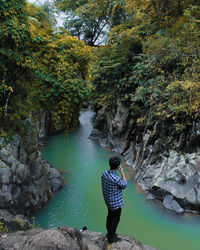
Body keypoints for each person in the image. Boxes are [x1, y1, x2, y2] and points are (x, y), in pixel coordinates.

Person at [101, 156, 128, 243]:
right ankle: (111, 237)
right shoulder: (115, 178)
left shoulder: (104, 173)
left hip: (108, 201)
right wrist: (122, 172)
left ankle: (109, 233)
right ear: (118, 166)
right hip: (116, 203)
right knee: (115, 219)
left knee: (109, 217)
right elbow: (124, 185)